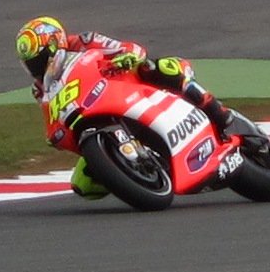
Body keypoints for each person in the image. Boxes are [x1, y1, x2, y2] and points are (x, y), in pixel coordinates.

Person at [15, 16, 233, 199]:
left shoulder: (84, 41)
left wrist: (127, 56)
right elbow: (50, 114)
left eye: (40, 58)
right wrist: (54, 134)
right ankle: (134, 168)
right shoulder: (40, 87)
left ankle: (215, 109)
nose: (36, 67)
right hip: (89, 110)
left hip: (125, 82)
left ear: (55, 43)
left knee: (162, 67)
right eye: (31, 63)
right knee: (84, 186)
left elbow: (129, 48)